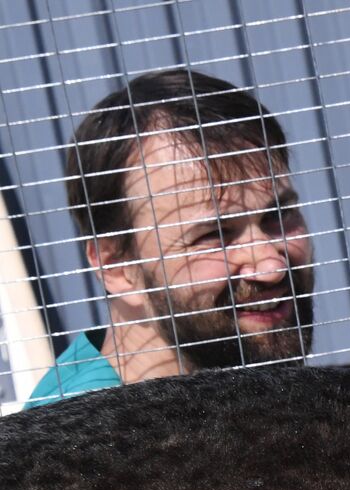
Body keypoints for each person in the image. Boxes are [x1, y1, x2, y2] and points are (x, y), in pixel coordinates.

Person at [26, 69, 313, 408]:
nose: (271, 268)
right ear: (117, 266)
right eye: (213, 235)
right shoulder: (87, 433)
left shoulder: (212, 394)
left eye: (278, 215)